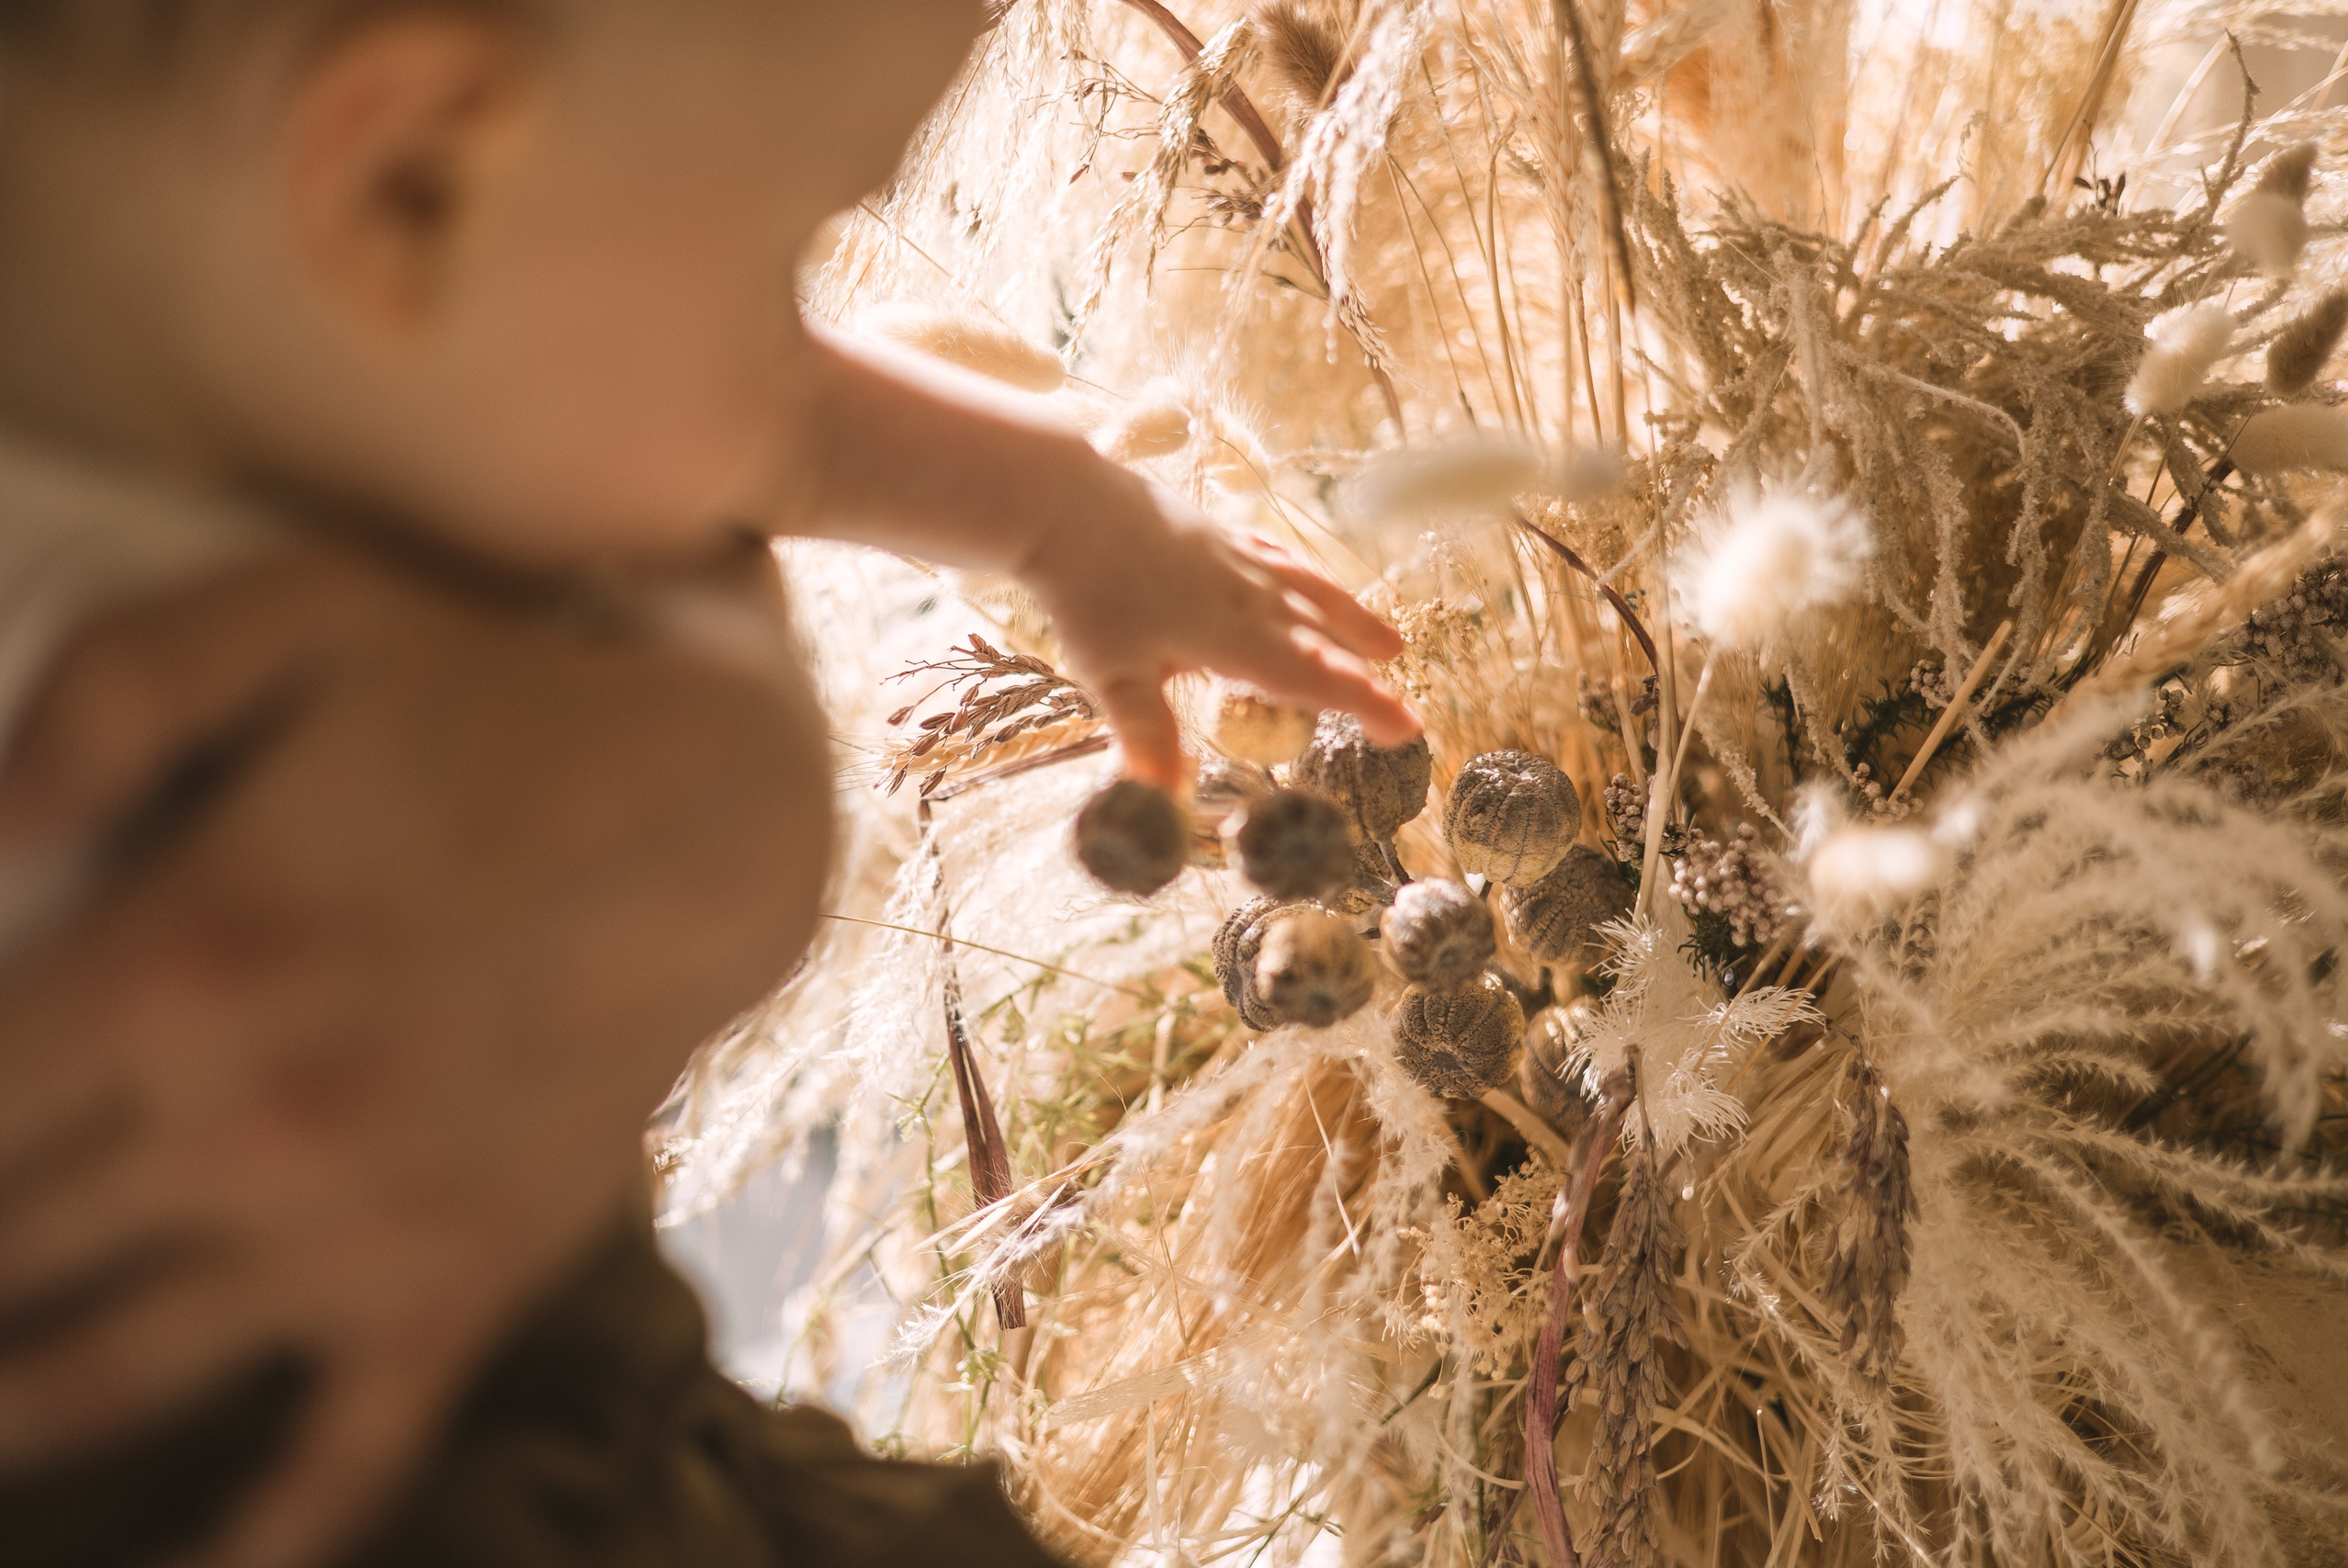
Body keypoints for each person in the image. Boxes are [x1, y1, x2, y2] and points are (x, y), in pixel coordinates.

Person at [0, 2, 1417, 1565]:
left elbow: (703, 398)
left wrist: (1071, 519)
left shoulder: (264, 348)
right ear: (401, 180)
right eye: (780, 267)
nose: (791, 359)